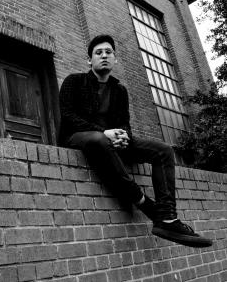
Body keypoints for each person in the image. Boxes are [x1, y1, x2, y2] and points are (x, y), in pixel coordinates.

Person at [58, 34, 212, 247]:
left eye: (108, 52)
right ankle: (146, 205)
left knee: (164, 150)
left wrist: (123, 136)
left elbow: (124, 123)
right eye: (98, 53)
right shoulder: (74, 81)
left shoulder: (119, 90)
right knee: (99, 140)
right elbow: (68, 115)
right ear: (89, 60)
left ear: (115, 59)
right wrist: (104, 133)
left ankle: (167, 217)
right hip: (78, 137)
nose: (104, 56)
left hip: (110, 140)